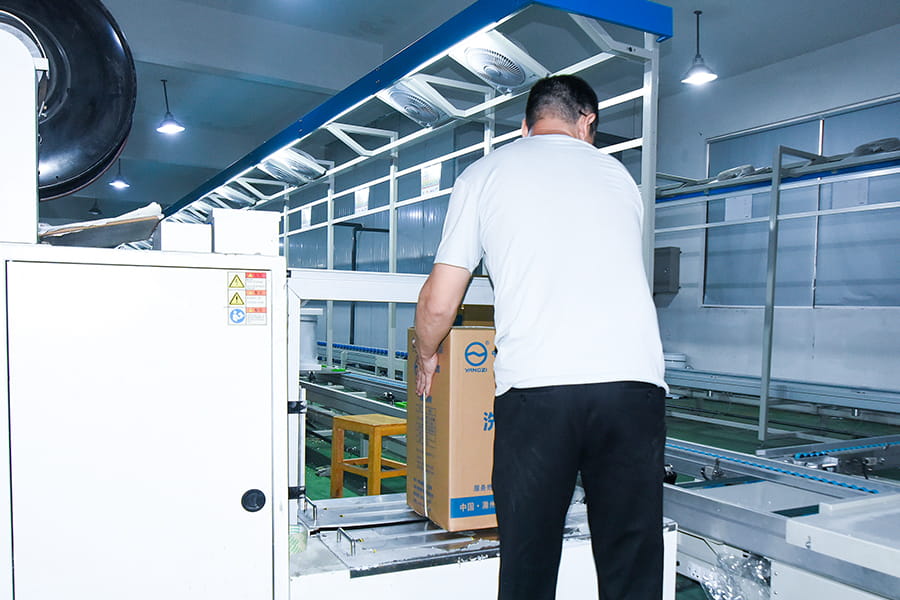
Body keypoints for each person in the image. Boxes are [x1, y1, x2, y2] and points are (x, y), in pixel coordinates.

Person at [413, 74, 668, 600]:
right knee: (631, 564)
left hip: (538, 391)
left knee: (529, 561)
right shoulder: (620, 177)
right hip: (634, 387)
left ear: (525, 126)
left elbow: (439, 302)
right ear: (587, 123)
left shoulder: (486, 173)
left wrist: (427, 354)